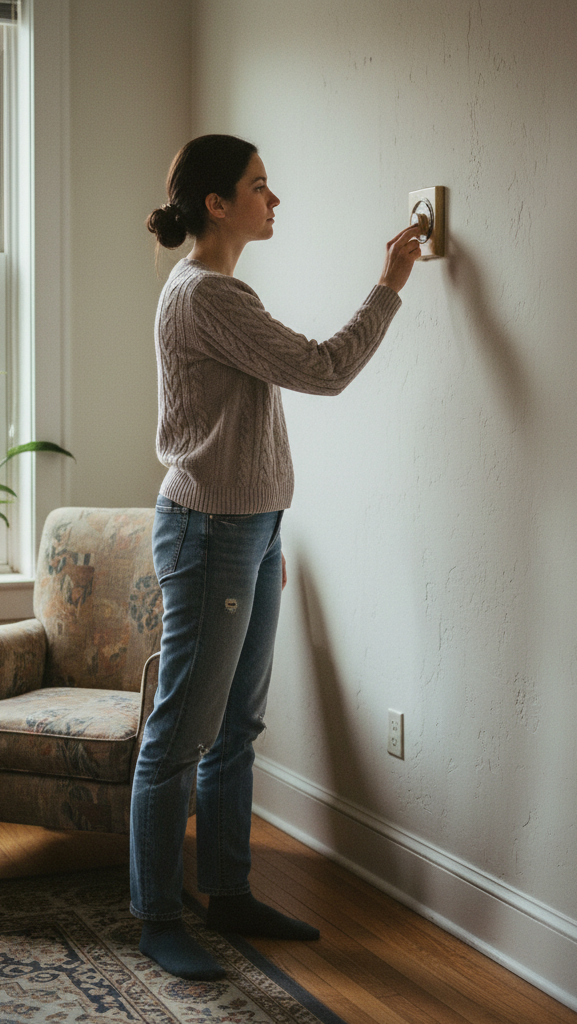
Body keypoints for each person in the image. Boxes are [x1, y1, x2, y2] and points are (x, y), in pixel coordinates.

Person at [130, 134, 422, 981]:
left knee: (236, 727)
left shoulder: (218, 291)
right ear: (216, 204)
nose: (274, 198)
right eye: (260, 186)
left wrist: (269, 538)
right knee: (182, 732)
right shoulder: (208, 298)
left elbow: (247, 428)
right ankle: (157, 916)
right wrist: (389, 288)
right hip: (213, 532)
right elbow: (325, 370)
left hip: (248, 531)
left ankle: (227, 894)